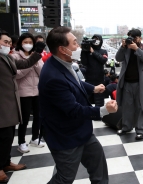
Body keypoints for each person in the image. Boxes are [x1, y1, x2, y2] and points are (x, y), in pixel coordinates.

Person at [38, 26, 118, 184]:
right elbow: (73, 110)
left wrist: (93, 88)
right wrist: (103, 110)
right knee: (64, 178)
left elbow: (76, 83)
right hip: (65, 135)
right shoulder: (53, 77)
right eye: (74, 43)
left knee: (98, 165)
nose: (78, 47)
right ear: (62, 49)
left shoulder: (64, 63)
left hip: (82, 131)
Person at [0, 29, 45, 183]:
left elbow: (25, 63)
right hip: (5, 100)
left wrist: (37, 53)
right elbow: (19, 73)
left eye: (9, 42)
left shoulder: (7, 58)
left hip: (11, 100)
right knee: (3, 135)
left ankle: (5, 162)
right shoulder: (9, 56)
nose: (8, 45)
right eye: (5, 42)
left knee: (8, 134)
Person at [115, 29, 143, 140]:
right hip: (127, 83)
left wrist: (136, 49)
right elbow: (118, 58)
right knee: (127, 106)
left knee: (141, 107)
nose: (132, 40)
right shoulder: (126, 48)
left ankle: (140, 130)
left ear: (139, 38)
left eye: (134, 38)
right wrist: (123, 46)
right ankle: (126, 127)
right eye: (130, 37)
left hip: (140, 84)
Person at [10, 33, 45, 153]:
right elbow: (17, 75)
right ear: (21, 43)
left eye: (30, 42)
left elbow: (42, 72)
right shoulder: (15, 57)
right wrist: (30, 64)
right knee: (24, 119)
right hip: (23, 92)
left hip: (37, 91)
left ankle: (35, 138)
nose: (28, 45)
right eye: (25, 42)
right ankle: (21, 142)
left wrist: (34, 61)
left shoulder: (36, 55)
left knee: (38, 116)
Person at [81, 34, 108, 108]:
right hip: (89, 78)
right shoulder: (87, 51)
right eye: (94, 39)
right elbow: (84, 62)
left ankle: (99, 114)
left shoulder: (103, 51)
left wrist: (93, 52)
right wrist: (83, 51)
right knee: (87, 99)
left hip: (100, 79)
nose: (96, 41)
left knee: (99, 100)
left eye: (97, 39)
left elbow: (103, 60)